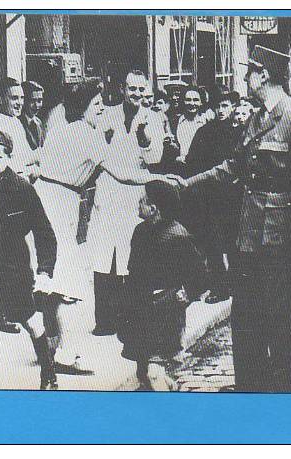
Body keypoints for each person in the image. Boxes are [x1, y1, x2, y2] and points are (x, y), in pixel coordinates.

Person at [182, 45, 291, 392]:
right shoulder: (256, 118)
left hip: (282, 240)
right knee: (246, 322)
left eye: (250, 73)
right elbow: (232, 167)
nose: (246, 78)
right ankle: (249, 392)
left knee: (279, 327)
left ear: (263, 76)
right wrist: (186, 184)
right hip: (248, 237)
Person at [87, 70, 169, 336]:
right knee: (104, 254)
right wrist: (107, 139)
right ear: (123, 89)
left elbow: (156, 158)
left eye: (141, 90)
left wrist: (144, 138)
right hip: (109, 190)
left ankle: (127, 318)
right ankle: (104, 320)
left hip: (134, 193)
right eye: (132, 89)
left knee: (129, 254)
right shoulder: (107, 115)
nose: (136, 95)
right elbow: (95, 150)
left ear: (146, 91)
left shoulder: (153, 118)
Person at [0, 130, 59, 389]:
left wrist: (45, 271)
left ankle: (48, 373)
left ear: (9, 158)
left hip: (12, 265)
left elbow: (45, 233)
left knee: (30, 320)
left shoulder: (22, 189)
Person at [118, 180, 207, 391]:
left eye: (142, 200)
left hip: (165, 313)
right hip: (141, 311)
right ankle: (168, 387)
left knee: (154, 372)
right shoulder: (140, 232)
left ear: (154, 208)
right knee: (143, 374)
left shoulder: (177, 236)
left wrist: (188, 292)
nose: (138, 203)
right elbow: (134, 272)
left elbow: (200, 273)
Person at [184, 88, 243, 303]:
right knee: (214, 242)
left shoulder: (241, 133)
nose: (221, 110)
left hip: (235, 196)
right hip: (211, 196)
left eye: (226, 105)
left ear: (234, 107)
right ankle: (220, 286)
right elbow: (192, 162)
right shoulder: (205, 132)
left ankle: (237, 282)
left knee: (235, 242)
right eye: (218, 106)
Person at [0, 77, 39, 182]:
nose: (20, 103)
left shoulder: (15, 120)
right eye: (14, 98)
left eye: (22, 98)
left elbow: (25, 155)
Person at [175, 86, 208, 163]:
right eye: (188, 100)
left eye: (196, 100)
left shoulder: (207, 123)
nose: (192, 103)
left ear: (201, 102)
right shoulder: (175, 122)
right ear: (183, 101)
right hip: (178, 168)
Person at [20, 80, 46, 150]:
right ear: (24, 101)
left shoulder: (38, 122)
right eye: (32, 101)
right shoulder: (18, 123)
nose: (37, 105)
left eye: (39, 101)